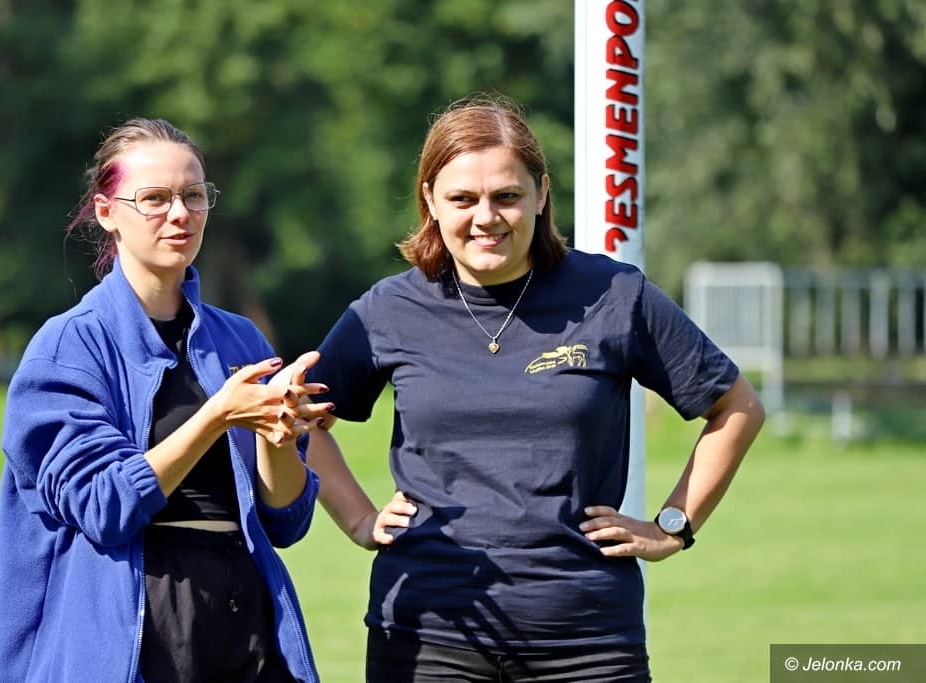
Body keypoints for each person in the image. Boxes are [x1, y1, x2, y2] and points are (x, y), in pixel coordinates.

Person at [304, 94, 766, 682]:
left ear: (542, 194)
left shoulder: (614, 294)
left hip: (588, 641)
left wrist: (673, 526)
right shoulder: (388, 310)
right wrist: (359, 519)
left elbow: (737, 407)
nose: (486, 217)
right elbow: (296, 418)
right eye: (462, 199)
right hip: (427, 637)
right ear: (430, 201)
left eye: (507, 196)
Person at [0, 118, 334, 683]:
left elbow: (286, 523)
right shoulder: (69, 346)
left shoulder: (240, 339)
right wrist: (215, 416)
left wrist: (278, 433)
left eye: (194, 195)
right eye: (154, 199)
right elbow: (103, 506)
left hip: (246, 623)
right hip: (135, 632)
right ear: (107, 212)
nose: (180, 214)